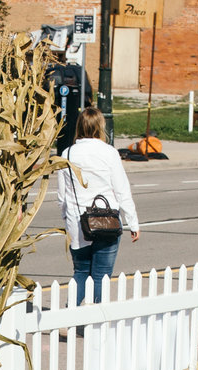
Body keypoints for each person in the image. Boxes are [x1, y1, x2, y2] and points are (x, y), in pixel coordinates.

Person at [54, 106, 140, 302]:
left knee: (81, 272)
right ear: (100, 126)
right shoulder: (109, 152)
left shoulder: (67, 153)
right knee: (101, 276)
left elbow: (62, 196)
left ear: (79, 127)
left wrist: (68, 219)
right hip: (106, 221)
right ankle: (97, 322)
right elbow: (122, 190)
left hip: (78, 223)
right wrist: (133, 223)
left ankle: (70, 316)